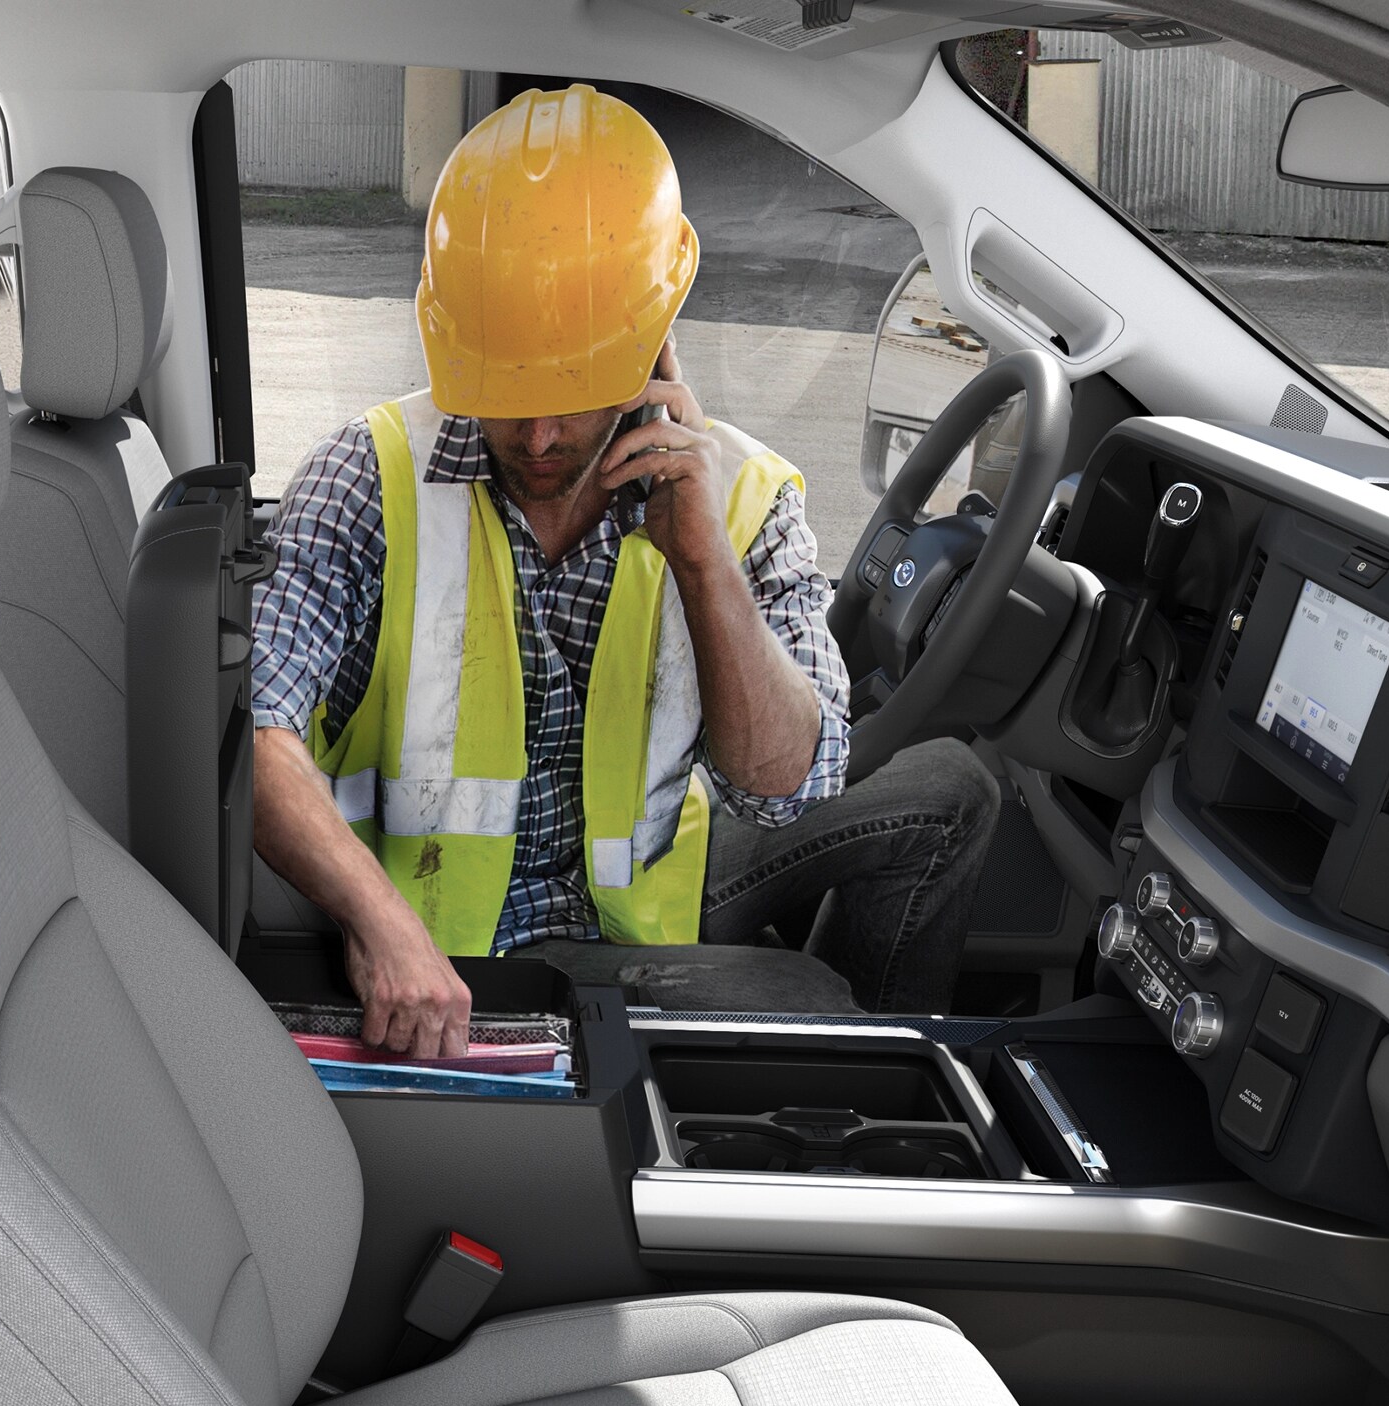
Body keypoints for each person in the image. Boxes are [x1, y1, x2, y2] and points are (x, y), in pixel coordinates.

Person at [250, 85, 1001, 1057]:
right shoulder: (368, 478)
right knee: (804, 999)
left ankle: (864, 1086)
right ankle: (829, 1057)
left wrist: (699, 556)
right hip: (454, 927)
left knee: (953, 789)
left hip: (650, 879)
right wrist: (378, 919)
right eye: (507, 392)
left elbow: (786, 788)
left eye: (573, 389)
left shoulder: (738, 494)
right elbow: (259, 731)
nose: (542, 433)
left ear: (654, 340)